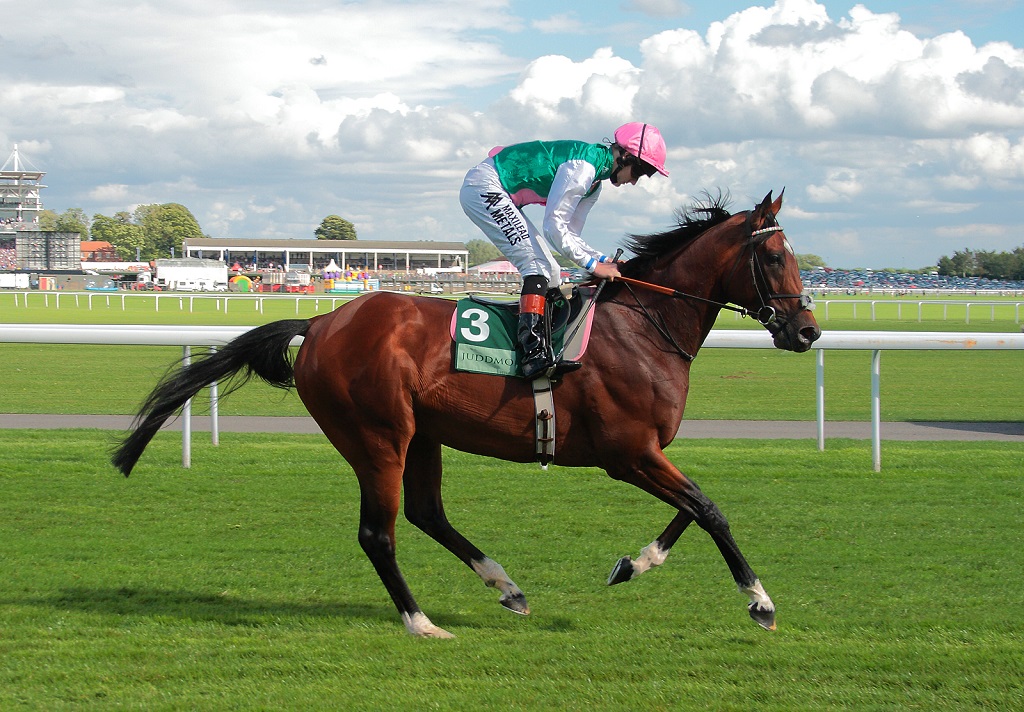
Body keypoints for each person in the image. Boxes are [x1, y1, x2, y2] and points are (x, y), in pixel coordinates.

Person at [460, 121, 669, 379]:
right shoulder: (583, 168)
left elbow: (571, 235)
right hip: (485, 186)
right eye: (641, 171)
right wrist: (594, 266)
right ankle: (531, 354)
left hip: (501, 190)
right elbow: (554, 228)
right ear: (625, 155)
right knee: (537, 267)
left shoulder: (594, 184)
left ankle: (542, 346)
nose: (636, 181)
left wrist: (604, 260)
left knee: (554, 273)